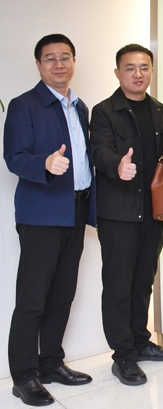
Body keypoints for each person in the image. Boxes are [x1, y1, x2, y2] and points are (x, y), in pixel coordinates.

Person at [3, 33, 95, 406]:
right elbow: (14, 156)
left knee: (62, 294)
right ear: (38, 64)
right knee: (33, 298)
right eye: (50, 58)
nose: (59, 64)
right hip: (41, 213)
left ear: (74, 61)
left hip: (75, 209)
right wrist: (44, 162)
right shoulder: (24, 105)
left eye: (65, 56)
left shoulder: (80, 107)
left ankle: (51, 363)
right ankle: (24, 377)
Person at [89, 43, 163, 386]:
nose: (138, 74)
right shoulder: (104, 111)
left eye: (144, 67)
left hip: (153, 213)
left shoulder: (159, 110)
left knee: (143, 283)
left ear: (151, 71)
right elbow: (99, 151)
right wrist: (116, 166)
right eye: (130, 68)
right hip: (118, 214)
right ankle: (122, 356)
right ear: (117, 73)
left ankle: (140, 341)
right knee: (118, 287)